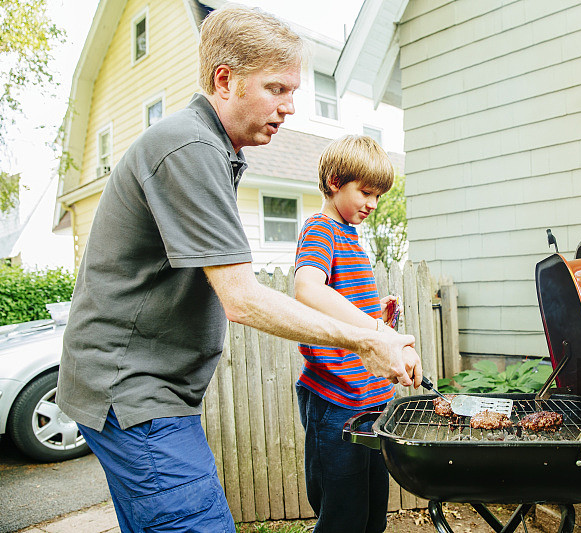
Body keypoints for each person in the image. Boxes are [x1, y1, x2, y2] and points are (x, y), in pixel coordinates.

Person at [55, 6, 422, 533]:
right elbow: (243, 298)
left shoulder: (211, 152)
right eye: (277, 89)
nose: (291, 107)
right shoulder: (189, 147)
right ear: (224, 81)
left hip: (146, 392)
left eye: (293, 92)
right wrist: (368, 341)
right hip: (133, 391)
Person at [293, 135, 407, 533]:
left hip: (373, 400)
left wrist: (381, 315)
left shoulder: (350, 236)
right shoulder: (321, 229)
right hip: (336, 401)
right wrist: (375, 326)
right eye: (366, 192)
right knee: (343, 516)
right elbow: (308, 288)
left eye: (379, 195)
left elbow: (349, 310)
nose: (373, 204)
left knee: (374, 511)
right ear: (335, 181)